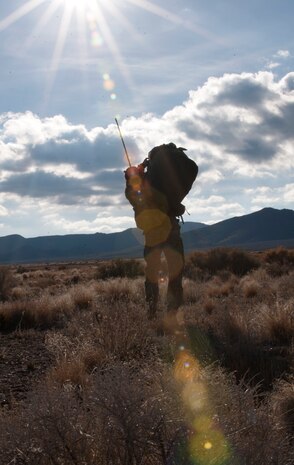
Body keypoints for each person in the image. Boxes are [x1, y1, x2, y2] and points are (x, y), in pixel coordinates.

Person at [125, 143, 196, 320]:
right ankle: (172, 314)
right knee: (175, 271)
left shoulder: (144, 182)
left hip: (152, 233)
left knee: (152, 273)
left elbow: (132, 197)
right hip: (171, 227)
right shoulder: (163, 180)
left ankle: (151, 313)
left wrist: (131, 177)